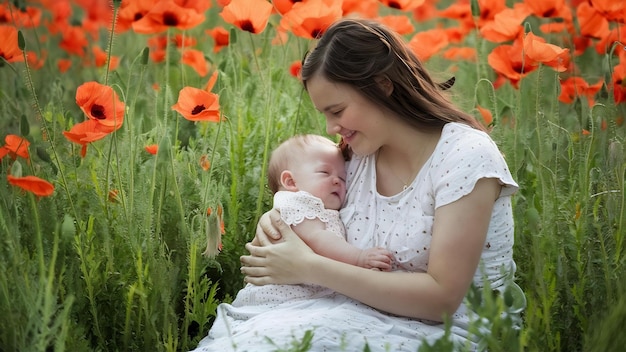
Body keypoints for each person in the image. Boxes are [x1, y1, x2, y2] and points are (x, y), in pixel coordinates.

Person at [192, 18, 523, 352]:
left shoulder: (465, 156)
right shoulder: (356, 157)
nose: (331, 127)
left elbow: (442, 300)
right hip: (353, 312)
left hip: (452, 329)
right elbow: (308, 205)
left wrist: (309, 268)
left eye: (337, 110)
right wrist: (278, 217)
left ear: (382, 85)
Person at [231, 134, 394, 307]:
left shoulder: (317, 206)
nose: (337, 181)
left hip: (304, 292)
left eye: (343, 177)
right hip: (279, 296)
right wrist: (360, 258)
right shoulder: (298, 203)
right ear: (291, 181)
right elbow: (318, 238)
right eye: (324, 172)